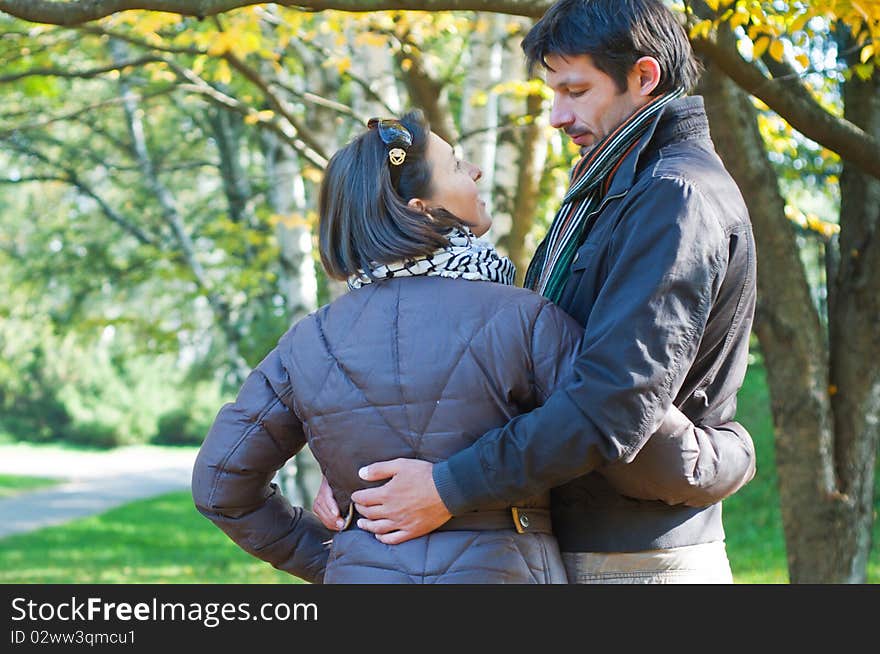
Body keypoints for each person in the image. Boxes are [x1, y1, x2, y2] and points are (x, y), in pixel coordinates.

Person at [192, 108, 750, 584]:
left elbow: (221, 486)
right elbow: (628, 442)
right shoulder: (526, 319)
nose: (477, 170)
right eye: (458, 165)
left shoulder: (306, 342)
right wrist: (732, 454)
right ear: (420, 211)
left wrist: (340, 557)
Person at [319, 0, 758, 584]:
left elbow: (613, 403)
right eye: (554, 92)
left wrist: (450, 487)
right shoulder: (606, 186)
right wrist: (365, 450)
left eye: (575, 91)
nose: (557, 116)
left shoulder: (673, 198)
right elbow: (520, 377)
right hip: (567, 544)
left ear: (644, 77)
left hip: (634, 561)